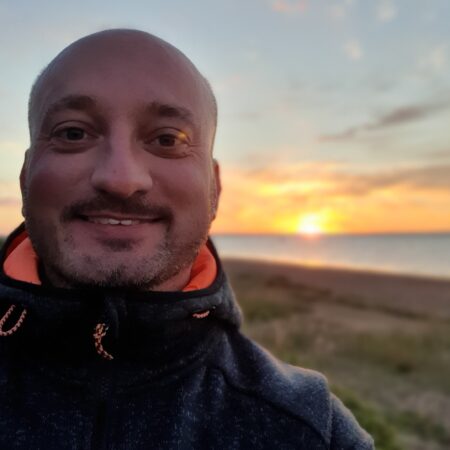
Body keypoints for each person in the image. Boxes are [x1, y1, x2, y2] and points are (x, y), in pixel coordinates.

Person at [0, 29, 374, 449]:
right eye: (73, 133)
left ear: (214, 189)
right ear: (25, 177)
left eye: (168, 139)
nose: (120, 178)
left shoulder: (310, 431)